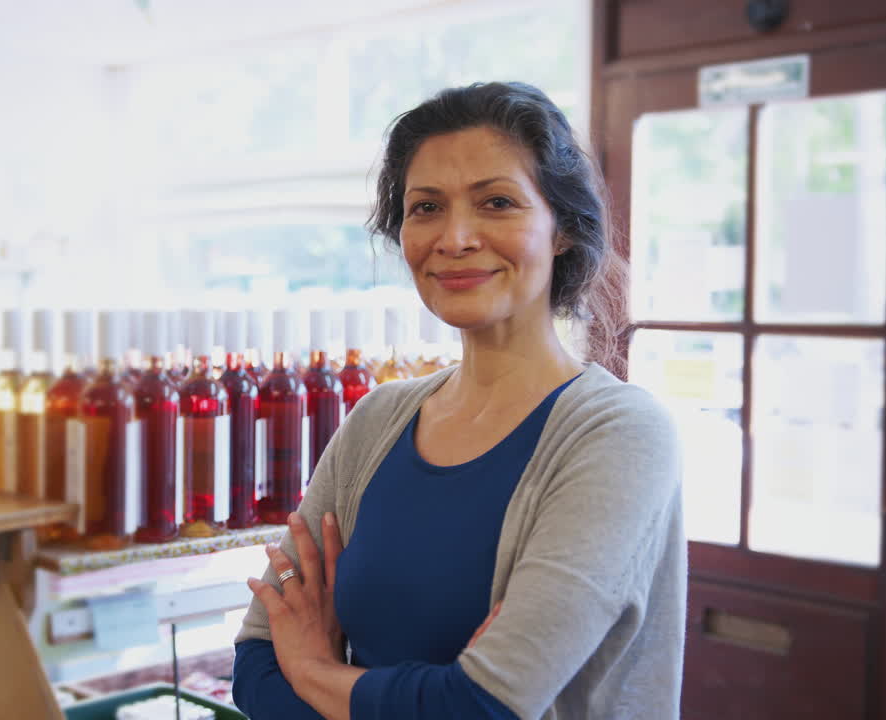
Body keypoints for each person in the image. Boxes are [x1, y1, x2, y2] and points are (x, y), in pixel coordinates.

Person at [232, 81, 685, 720]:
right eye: (426, 208)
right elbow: (255, 663)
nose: (456, 237)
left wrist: (313, 668)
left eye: (497, 202)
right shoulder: (377, 421)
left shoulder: (618, 434)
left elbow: (481, 704)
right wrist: (415, 697)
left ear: (561, 230)